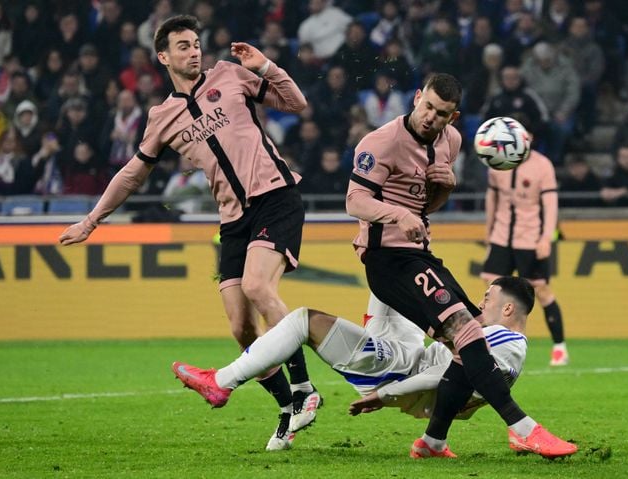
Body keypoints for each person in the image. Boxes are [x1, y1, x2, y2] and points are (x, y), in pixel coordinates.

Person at [57, 15, 320, 451]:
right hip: (233, 220)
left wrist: (266, 67)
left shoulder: (230, 74)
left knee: (258, 285)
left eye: (196, 43)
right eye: (183, 46)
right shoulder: (162, 117)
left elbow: (296, 104)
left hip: (276, 196)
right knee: (240, 326)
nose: (194, 51)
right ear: (163, 57)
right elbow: (131, 175)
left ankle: (305, 389)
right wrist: (92, 218)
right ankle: (286, 408)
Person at [343, 73, 576, 458]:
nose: (431, 117)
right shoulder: (380, 142)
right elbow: (355, 201)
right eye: (428, 107)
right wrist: (397, 216)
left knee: (469, 338)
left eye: (442, 113)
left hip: (419, 255)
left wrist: (445, 189)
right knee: (466, 331)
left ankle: (433, 441)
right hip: (387, 260)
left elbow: (426, 205)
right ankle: (523, 428)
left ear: (454, 117)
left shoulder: (450, 141)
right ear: (417, 97)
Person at [172, 276, 534, 458]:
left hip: (400, 371)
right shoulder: (504, 343)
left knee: (302, 321)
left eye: (488, 298)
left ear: (507, 309)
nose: (481, 302)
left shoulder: (505, 341)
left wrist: (385, 394)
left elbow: (448, 375)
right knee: (391, 273)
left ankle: (222, 381)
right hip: (412, 355)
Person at [481, 128, 569, 366]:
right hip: (501, 236)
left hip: (530, 239)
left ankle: (559, 348)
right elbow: (492, 199)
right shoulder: (497, 162)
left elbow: (550, 205)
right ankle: (490, 345)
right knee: (491, 290)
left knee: (541, 291)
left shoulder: (543, 166)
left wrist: (546, 238)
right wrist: (489, 234)